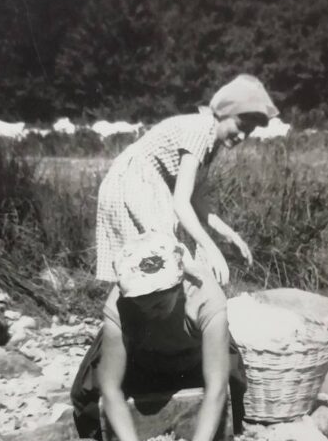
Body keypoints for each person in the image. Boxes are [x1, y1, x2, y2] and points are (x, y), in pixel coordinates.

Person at [71, 232, 246, 441]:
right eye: (142, 301)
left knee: (234, 393)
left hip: (193, 357)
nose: (150, 308)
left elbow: (216, 386)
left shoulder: (205, 295)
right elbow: (110, 387)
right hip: (142, 354)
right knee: (85, 397)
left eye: (160, 299)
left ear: (179, 283)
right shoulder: (118, 303)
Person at [95, 74, 278, 286]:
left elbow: (196, 199)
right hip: (133, 185)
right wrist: (211, 248)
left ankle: (157, 313)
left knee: (152, 267)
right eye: (240, 126)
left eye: (249, 132)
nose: (242, 137)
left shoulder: (212, 141)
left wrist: (230, 235)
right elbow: (181, 204)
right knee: (149, 264)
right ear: (225, 112)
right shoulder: (200, 130)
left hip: (147, 187)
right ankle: (124, 316)